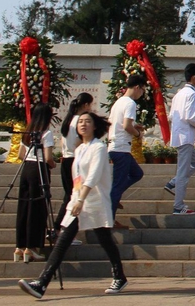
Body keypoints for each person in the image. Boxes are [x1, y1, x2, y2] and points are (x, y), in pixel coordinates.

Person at [19, 112, 128, 298]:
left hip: (93, 201)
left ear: (95, 126)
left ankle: (119, 275)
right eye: (81, 122)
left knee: (105, 240)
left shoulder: (99, 148)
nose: (83, 125)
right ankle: (42, 283)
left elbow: (93, 176)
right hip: (78, 201)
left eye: (88, 122)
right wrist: (75, 199)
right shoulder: (79, 149)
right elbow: (77, 177)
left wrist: (81, 199)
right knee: (63, 241)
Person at [16, 103, 55, 263]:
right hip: (39, 169)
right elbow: (48, 158)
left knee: (24, 206)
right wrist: (53, 165)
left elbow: (20, 155)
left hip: (26, 169)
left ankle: (19, 247)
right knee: (37, 208)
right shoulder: (46, 133)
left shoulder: (28, 132)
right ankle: (31, 247)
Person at [165, 63, 195, 214]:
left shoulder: (179, 94)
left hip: (178, 135)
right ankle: (178, 206)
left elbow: (171, 116)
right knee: (183, 172)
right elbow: (189, 117)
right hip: (185, 137)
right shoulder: (191, 94)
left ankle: (173, 182)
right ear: (194, 77)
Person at [55, 93, 92, 243]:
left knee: (70, 196)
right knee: (73, 197)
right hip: (75, 163)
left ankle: (59, 228)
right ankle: (62, 230)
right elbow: (79, 143)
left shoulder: (69, 119)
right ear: (85, 105)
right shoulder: (80, 120)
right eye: (90, 104)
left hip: (66, 161)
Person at [108, 75, 146, 224]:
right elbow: (126, 126)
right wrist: (137, 134)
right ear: (137, 87)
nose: (142, 93)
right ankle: (109, 219)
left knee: (137, 173)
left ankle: (114, 196)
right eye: (142, 90)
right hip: (121, 148)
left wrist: (134, 127)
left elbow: (118, 123)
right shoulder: (130, 103)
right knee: (118, 184)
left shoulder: (118, 102)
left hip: (116, 146)